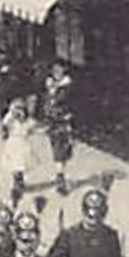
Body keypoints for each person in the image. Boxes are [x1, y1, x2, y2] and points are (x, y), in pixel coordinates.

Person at [41, 61, 74, 196]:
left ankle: (60, 177)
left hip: (63, 121)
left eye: (59, 70)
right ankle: (60, 176)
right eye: (54, 70)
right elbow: (47, 102)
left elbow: (67, 102)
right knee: (58, 149)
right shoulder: (50, 85)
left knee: (61, 150)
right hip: (52, 122)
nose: (56, 73)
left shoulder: (66, 87)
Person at [1, 96, 35, 200]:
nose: (19, 114)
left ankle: (19, 184)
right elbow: (5, 123)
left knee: (20, 166)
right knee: (14, 166)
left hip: (22, 145)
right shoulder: (12, 121)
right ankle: (17, 184)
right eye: (17, 111)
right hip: (13, 144)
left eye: (21, 111)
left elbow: (31, 128)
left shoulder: (28, 122)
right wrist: (11, 113)